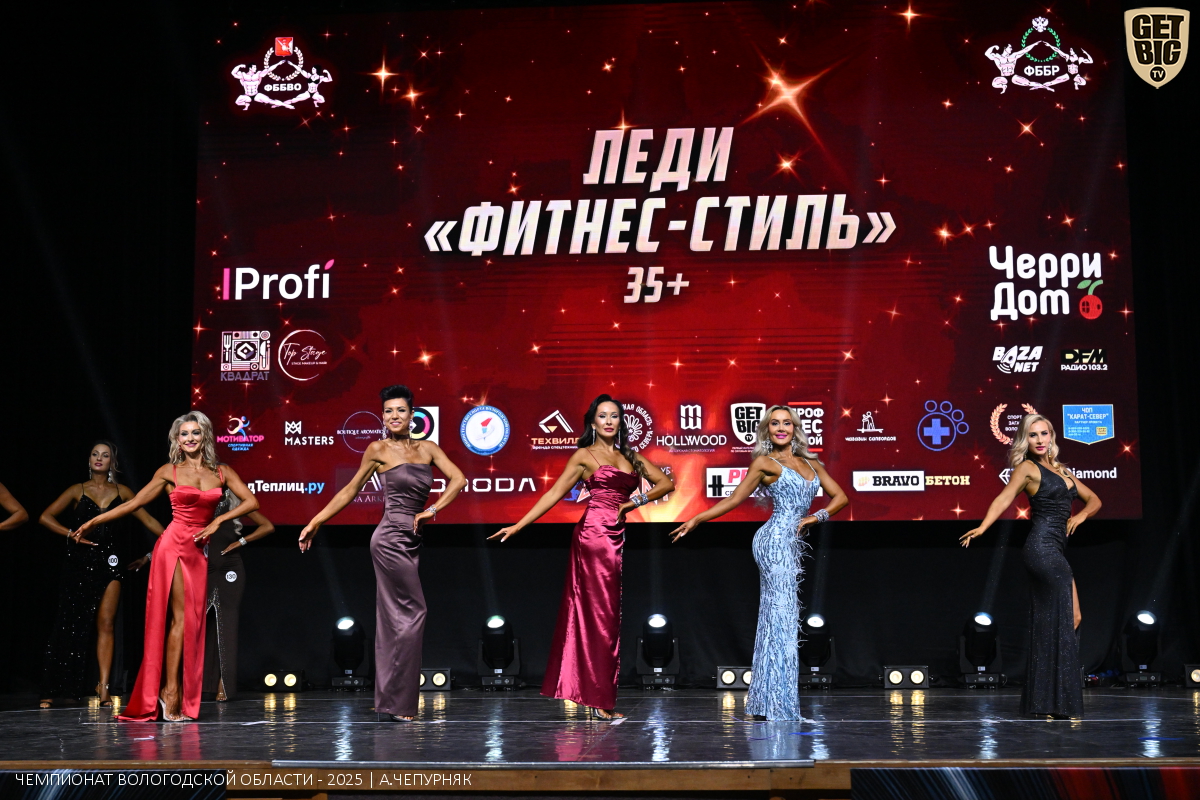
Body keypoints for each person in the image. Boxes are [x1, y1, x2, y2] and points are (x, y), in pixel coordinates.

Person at [491, 394, 675, 720]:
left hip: (615, 536)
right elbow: (554, 493)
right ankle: (597, 699)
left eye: (614, 416)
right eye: (602, 416)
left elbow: (665, 484)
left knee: (608, 618)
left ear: (621, 422)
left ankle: (597, 696)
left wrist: (632, 503)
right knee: (598, 617)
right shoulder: (584, 455)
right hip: (592, 536)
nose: (609, 421)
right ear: (592, 422)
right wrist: (519, 525)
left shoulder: (630, 456)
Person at [73, 411, 258, 721]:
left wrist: (219, 522)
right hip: (173, 546)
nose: (190, 438)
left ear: (205, 436)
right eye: (184, 434)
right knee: (181, 619)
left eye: (195, 433)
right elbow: (133, 504)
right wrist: (93, 521)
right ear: (177, 440)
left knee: (191, 622)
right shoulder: (169, 471)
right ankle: (171, 691)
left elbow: (252, 502)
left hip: (198, 551)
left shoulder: (222, 472)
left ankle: (173, 691)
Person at [299, 385, 466, 721]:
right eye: (388, 411)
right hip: (389, 539)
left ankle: (390, 701)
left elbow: (459, 480)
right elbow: (350, 490)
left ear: (413, 415)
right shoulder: (378, 449)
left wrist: (431, 511)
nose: (394, 416)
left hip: (412, 537)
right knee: (413, 613)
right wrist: (316, 521)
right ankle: (398, 703)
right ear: (383, 417)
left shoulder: (428, 448)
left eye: (400, 410)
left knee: (395, 620)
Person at [670, 405, 847, 721]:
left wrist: (814, 517)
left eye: (786, 423)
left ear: (795, 429)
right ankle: (777, 705)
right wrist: (697, 519)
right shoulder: (765, 463)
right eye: (774, 423)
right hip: (773, 542)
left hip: (791, 543)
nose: (781, 428)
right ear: (767, 430)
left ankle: (767, 703)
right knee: (780, 620)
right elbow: (733, 499)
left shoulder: (812, 464)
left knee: (778, 620)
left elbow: (841, 497)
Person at [961, 413, 1101, 719]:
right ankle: (1055, 702)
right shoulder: (1027, 468)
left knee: (1073, 617)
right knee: (1059, 620)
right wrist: (983, 527)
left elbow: (1095, 500)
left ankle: (1046, 700)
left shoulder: (1062, 470)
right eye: (1032, 435)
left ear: (1052, 436)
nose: (1039, 440)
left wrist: (1080, 515)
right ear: (1026, 439)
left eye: (1043, 434)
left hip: (1056, 552)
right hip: (1041, 550)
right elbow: (1003, 498)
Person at [37, 441, 164, 708]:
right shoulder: (77, 490)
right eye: (95, 454)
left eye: (105, 455)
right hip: (79, 562)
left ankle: (104, 689)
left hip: (111, 563)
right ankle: (54, 687)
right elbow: (45, 517)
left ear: (112, 463)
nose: (99, 458)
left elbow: (150, 522)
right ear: (89, 460)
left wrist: (162, 546)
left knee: (106, 624)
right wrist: (71, 534)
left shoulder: (123, 492)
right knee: (69, 624)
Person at [202, 491, 274, 702]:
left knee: (228, 625)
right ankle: (197, 685)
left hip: (230, 567)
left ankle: (224, 685)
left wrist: (241, 541)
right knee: (198, 627)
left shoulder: (234, 503)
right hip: (204, 566)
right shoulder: (198, 500)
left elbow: (267, 526)